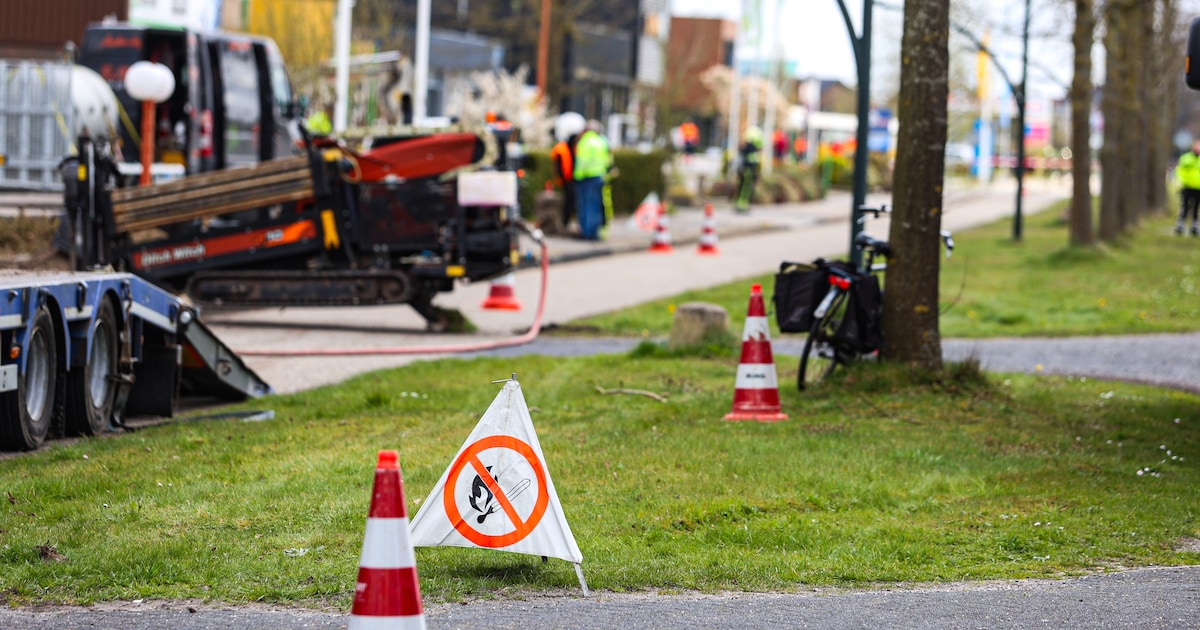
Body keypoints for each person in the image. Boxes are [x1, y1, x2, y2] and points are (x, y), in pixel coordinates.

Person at [573, 121, 611, 241]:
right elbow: (607, 160)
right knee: (596, 205)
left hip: (585, 178)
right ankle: (594, 232)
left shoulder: (584, 142)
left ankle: (586, 232)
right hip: (599, 176)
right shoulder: (602, 142)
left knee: (585, 205)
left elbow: (582, 162)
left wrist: (577, 176)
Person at [550, 131, 578, 230]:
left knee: (571, 202)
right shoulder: (562, 149)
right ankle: (565, 222)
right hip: (566, 180)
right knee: (568, 202)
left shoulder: (573, 148)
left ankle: (566, 221)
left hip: (573, 179)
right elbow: (557, 165)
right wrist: (561, 178)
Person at [734, 126, 763, 213]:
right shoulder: (751, 149)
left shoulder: (747, 148)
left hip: (747, 171)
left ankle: (741, 204)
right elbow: (752, 162)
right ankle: (742, 205)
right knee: (745, 189)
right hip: (748, 172)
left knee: (744, 188)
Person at [1176, 140, 1200, 236]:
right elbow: (1179, 170)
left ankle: (1194, 226)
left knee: (1196, 207)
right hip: (1187, 186)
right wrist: (1182, 180)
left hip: (1198, 187)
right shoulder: (1186, 158)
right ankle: (1180, 224)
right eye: (1197, 147)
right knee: (1185, 206)